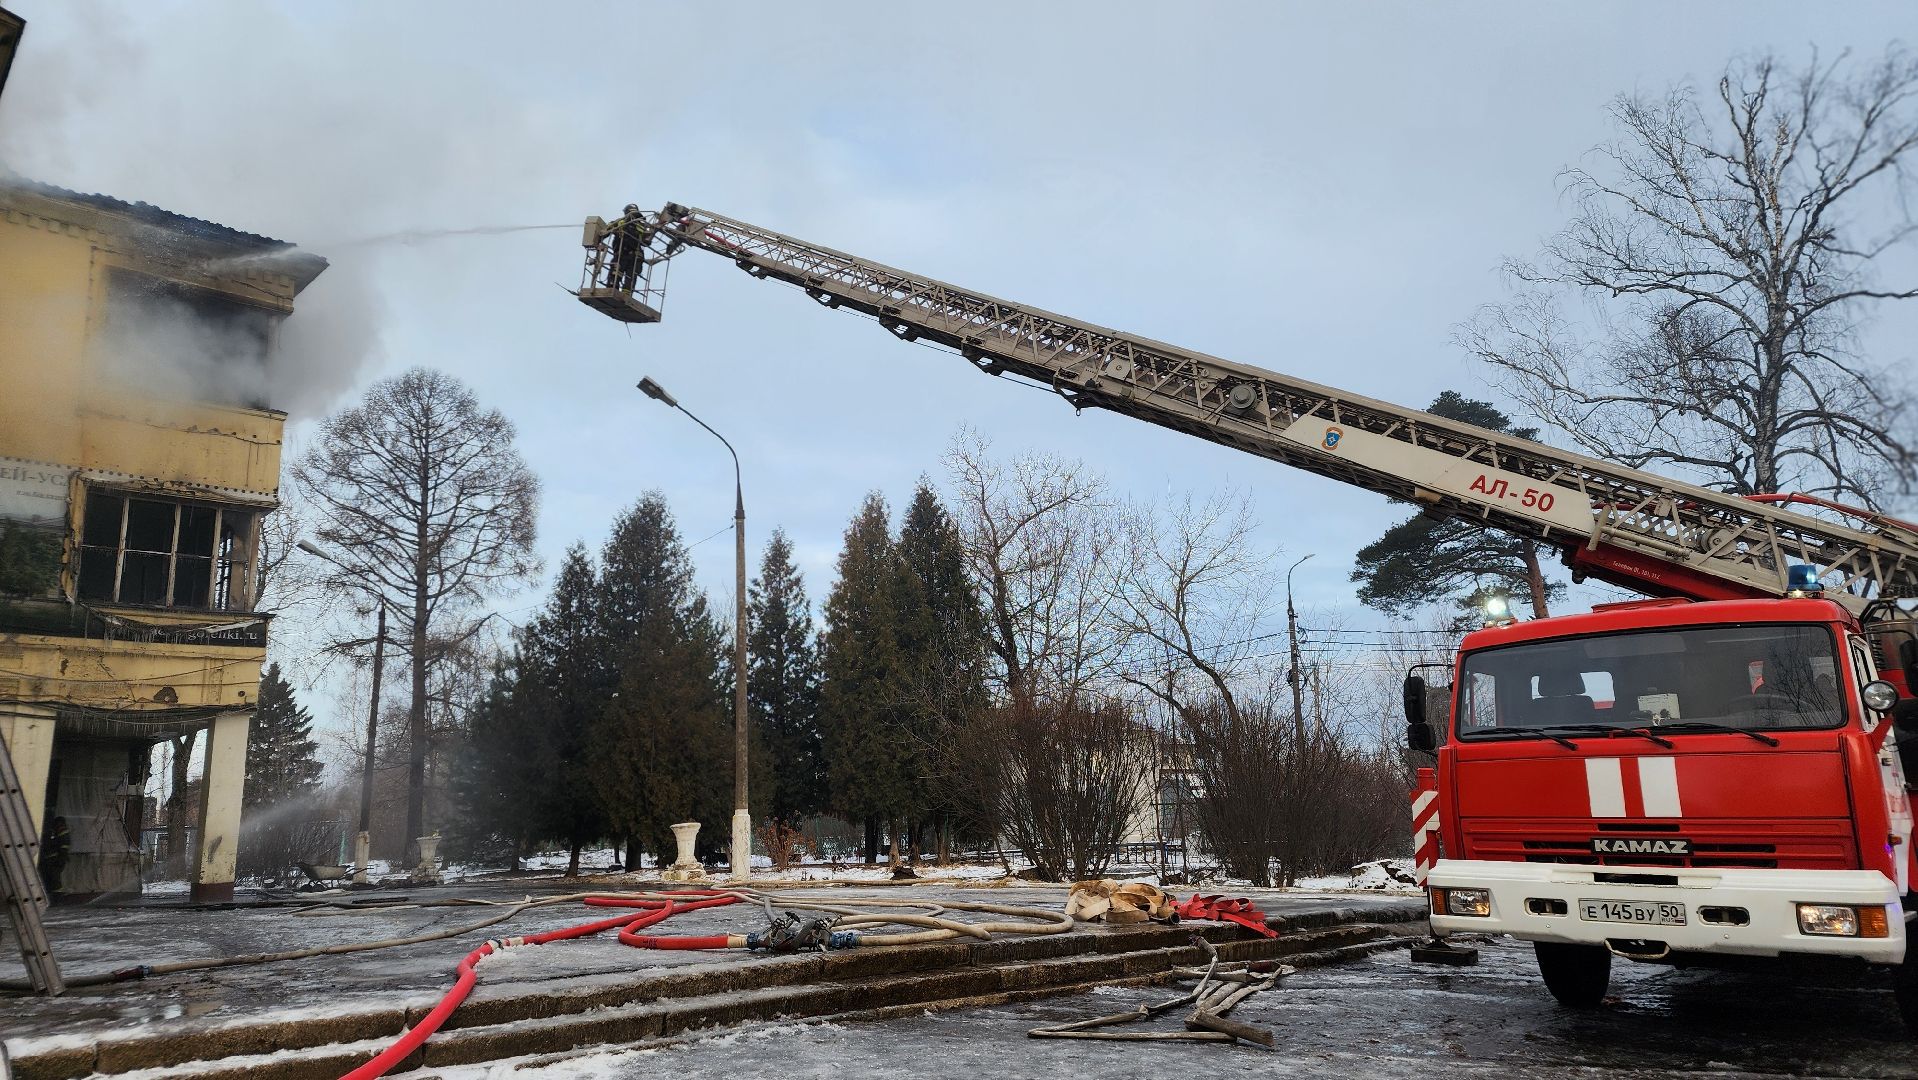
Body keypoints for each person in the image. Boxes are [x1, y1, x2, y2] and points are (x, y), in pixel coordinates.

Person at [608, 204, 651, 293]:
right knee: (629, 277)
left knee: (618, 274)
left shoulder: (621, 222)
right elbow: (647, 241)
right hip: (634, 256)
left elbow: (608, 228)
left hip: (624, 254)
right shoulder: (642, 226)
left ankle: (613, 290)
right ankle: (624, 293)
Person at [38, 815, 70, 895]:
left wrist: (61, 858)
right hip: (50, 859)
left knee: (54, 878)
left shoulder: (60, 830)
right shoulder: (52, 830)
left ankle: (57, 895)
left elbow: (63, 845)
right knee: (50, 878)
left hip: (54, 859)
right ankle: (54, 895)